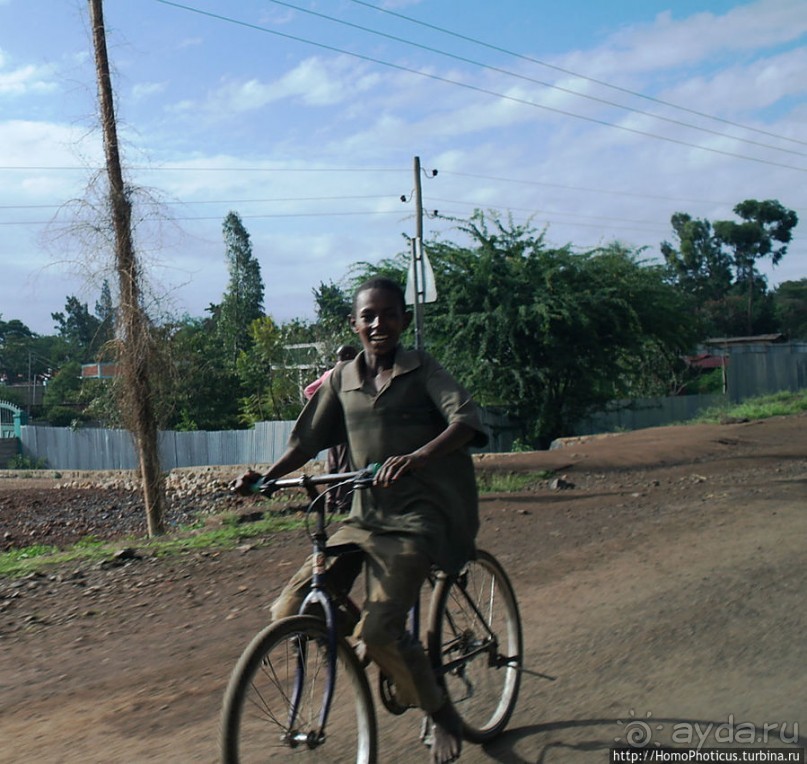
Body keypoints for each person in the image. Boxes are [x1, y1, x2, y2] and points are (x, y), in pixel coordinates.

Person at [232, 276, 488, 764]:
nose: (378, 324)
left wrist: (418, 456)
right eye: (368, 316)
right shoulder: (341, 379)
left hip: (418, 516)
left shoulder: (423, 370)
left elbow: (465, 421)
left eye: (389, 314)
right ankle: (382, 646)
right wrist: (266, 478)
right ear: (354, 323)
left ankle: (440, 711)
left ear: (404, 320)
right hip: (363, 515)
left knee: (378, 631)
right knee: (290, 609)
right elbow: (305, 444)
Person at [303, 344, 358, 513]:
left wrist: (324, 407)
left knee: (332, 464)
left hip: (331, 425)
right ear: (350, 357)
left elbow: (308, 390)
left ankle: (330, 500)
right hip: (345, 424)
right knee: (345, 464)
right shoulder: (350, 373)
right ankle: (343, 503)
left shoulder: (329, 374)